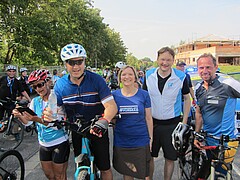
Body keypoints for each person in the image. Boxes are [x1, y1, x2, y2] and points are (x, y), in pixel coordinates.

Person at [43, 43, 118, 180]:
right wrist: (50, 114)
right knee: (80, 164)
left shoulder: (96, 80)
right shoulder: (60, 84)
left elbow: (111, 106)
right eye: (71, 62)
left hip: (97, 128)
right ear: (65, 64)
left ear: (84, 61)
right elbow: (56, 109)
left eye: (79, 61)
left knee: (105, 168)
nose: (76, 66)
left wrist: (104, 120)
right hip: (76, 129)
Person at [143, 47, 191, 180]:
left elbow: (187, 99)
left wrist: (184, 122)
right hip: (152, 124)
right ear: (157, 59)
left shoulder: (181, 77)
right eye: (162, 59)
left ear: (173, 61)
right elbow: (144, 98)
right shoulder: (148, 75)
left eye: (168, 60)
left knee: (170, 158)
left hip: (172, 124)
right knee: (150, 157)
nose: (165, 63)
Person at [12, 69, 70, 180]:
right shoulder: (35, 101)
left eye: (40, 84)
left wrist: (36, 118)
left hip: (59, 142)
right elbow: (28, 122)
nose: (38, 89)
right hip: (44, 143)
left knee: (59, 176)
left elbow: (51, 122)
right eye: (34, 87)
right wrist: (19, 115)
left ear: (48, 82)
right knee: (49, 175)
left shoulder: (56, 98)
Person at [194, 53, 240, 179]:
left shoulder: (228, 84)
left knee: (219, 176)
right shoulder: (198, 88)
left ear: (216, 67)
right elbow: (198, 113)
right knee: (203, 174)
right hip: (209, 140)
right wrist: (196, 135)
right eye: (201, 68)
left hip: (227, 141)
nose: (205, 71)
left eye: (208, 67)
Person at [112, 65, 153, 180]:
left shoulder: (144, 94)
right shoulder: (114, 95)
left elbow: (148, 118)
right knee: (128, 173)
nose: (127, 77)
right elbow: (112, 118)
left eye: (130, 74)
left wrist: (151, 138)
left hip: (141, 140)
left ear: (135, 77)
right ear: (120, 78)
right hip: (122, 142)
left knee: (145, 174)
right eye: (124, 74)